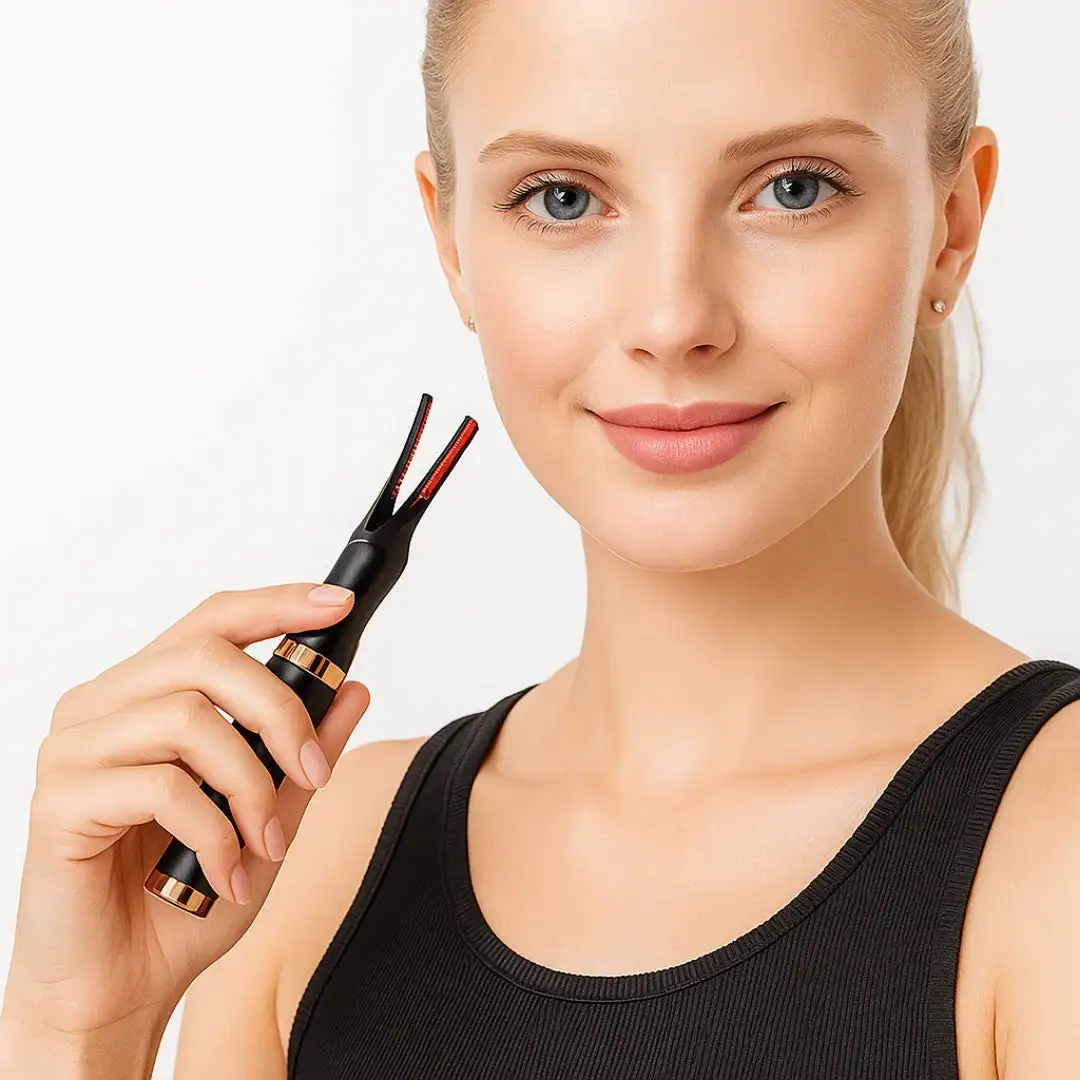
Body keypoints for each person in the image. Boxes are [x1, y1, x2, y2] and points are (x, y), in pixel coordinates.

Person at [2, 0, 1078, 1075]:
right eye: (564, 198)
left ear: (951, 227)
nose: (673, 320)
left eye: (794, 188)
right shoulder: (309, 861)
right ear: (451, 243)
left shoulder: (1055, 845)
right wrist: (79, 1028)